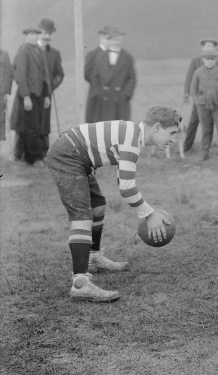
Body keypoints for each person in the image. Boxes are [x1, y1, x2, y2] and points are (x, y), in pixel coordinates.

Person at [46, 105, 179, 302]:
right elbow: (126, 188)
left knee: (97, 205)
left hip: (76, 155)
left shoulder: (134, 135)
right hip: (68, 155)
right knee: (82, 215)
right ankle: (80, 283)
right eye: (172, 133)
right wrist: (149, 215)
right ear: (157, 127)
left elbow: (122, 182)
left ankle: (93, 258)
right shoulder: (132, 139)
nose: (173, 139)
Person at [11, 25, 51, 167]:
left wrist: (46, 95)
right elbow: (20, 75)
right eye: (31, 34)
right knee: (31, 127)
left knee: (38, 126)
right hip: (29, 95)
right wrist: (26, 96)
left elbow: (44, 76)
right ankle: (34, 158)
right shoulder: (23, 51)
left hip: (39, 95)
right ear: (26, 36)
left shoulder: (39, 50)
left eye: (36, 34)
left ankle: (32, 156)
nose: (34, 36)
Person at [85, 26, 137, 122]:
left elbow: (131, 79)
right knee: (103, 130)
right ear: (110, 40)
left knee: (120, 131)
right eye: (114, 39)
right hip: (103, 102)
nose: (117, 42)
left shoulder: (127, 58)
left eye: (119, 40)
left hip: (120, 103)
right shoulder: (100, 56)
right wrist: (98, 93)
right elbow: (95, 77)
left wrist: (125, 95)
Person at [183, 37, 218, 153]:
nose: (209, 48)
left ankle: (206, 147)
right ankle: (187, 146)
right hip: (199, 99)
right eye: (207, 46)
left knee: (209, 123)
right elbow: (189, 78)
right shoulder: (196, 61)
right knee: (193, 121)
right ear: (202, 48)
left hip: (213, 98)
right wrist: (187, 93)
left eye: (212, 46)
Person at [190, 47, 218, 161]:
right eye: (208, 59)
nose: (210, 61)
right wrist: (197, 101)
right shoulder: (198, 72)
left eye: (212, 59)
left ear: (216, 60)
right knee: (205, 129)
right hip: (203, 104)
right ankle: (204, 153)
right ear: (203, 60)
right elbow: (193, 89)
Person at [37, 18, 65, 158]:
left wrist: (50, 87)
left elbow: (59, 74)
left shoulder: (54, 53)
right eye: (44, 32)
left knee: (43, 123)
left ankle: (43, 154)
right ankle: (22, 154)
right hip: (29, 94)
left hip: (45, 95)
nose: (47, 36)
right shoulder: (29, 49)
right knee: (26, 123)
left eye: (49, 33)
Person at [0, 47, 12, 158]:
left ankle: (2, 151)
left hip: (0, 94)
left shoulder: (4, 54)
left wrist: (5, 91)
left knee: (1, 121)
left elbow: (9, 74)